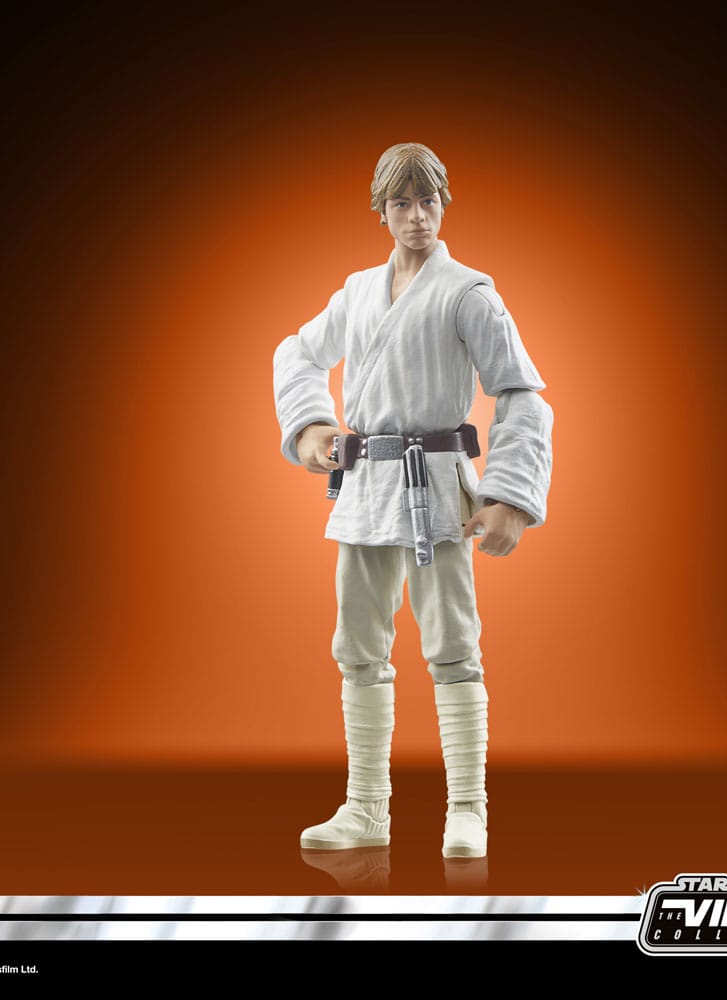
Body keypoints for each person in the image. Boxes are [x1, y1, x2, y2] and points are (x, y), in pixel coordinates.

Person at [273, 142, 553, 859]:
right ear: (382, 211)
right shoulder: (358, 292)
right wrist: (311, 428)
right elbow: (297, 351)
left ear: (443, 204)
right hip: (366, 486)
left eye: (428, 201)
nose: (417, 216)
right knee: (358, 647)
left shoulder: (467, 293)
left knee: (453, 646)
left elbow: (521, 393)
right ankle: (366, 806)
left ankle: (468, 808)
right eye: (402, 203)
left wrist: (508, 497)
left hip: (438, 488)